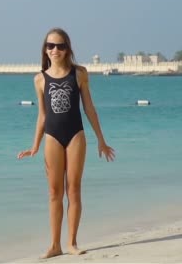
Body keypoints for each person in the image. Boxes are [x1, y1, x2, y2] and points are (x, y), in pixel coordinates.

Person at [17, 27, 115, 259]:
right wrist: (34, 146)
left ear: (67, 49)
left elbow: (89, 108)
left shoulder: (79, 73)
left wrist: (101, 139)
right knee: (54, 192)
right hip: (52, 137)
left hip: (75, 136)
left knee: (74, 189)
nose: (55, 50)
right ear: (45, 49)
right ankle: (54, 245)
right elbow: (42, 115)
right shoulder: (40, 79)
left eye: (60, 46)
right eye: (50, 45)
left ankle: (71, 242)